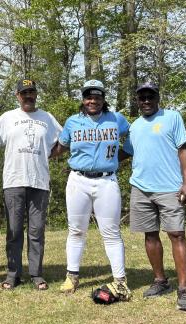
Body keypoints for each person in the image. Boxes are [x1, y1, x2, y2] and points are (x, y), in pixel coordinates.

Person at [53, 79, 131, 300]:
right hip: (78, 180)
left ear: (104, 98)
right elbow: (61, 146)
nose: (92, 100)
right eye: (88, 96)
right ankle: (72, 275)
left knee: (111, 232)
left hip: (106, 180)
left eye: (97, 96)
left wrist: (118, 158)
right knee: (76, 230)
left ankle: (120, 280)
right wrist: (42, 155)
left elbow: (133, 138)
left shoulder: (116, 119)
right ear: (83, 99)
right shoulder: (73, 122)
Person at [120, 82, 186, 311]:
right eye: (141, 97)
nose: (145, 101)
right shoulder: (134, 126)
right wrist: (94, 159)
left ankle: (183, 289)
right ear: (137, 100)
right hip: (141, 188)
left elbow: (184, 149)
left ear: (157, 98)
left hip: (170, 188)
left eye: (149, 96)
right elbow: (124, 152)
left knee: (176, 234)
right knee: (150, 235)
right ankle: (160, 281)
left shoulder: (172, 117)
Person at [0, 79, 62, 290]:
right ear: (17, 95)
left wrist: (47, 156)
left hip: (39, 181)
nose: (28, 96)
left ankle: (36, 274)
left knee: (37, 230)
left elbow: (63, 141)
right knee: (14, 230)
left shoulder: (47, 118)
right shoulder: (7, 118)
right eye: (24, 93)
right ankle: (12, 274)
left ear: (36, 95)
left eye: (31, 92)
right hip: (14, 180)